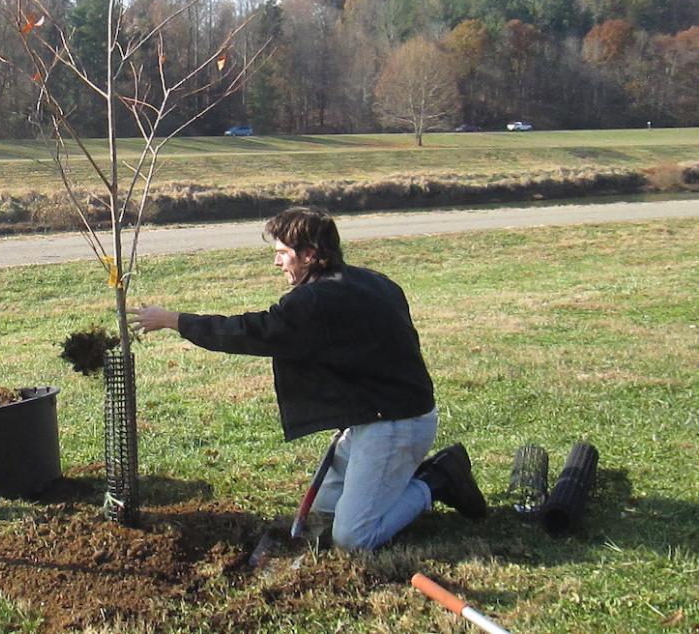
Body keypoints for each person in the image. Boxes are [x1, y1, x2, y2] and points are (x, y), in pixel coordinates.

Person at [128, 206, 486, 551]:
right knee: (324, 514)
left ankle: (436, 480)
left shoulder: (316, 299)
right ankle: (394, 481)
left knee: (353, 538)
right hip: (375, 415)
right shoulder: (372, 282)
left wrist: (175, 320)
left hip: (395, 424)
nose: (276, 261)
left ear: (310, 254)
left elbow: (252, 332)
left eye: (283, 253)